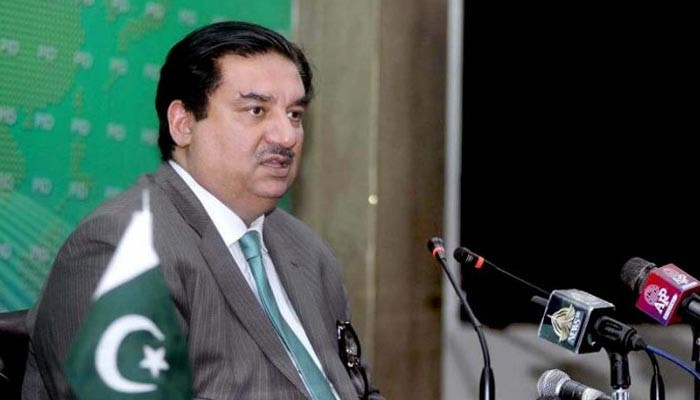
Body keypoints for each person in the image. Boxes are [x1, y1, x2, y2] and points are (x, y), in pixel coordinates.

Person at [23, 21, 382, 400]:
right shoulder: (119, 250)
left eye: (295, 114)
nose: (287, 135)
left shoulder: (307, 250)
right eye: (256, 110)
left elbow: (359, 390)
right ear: (183, 123)